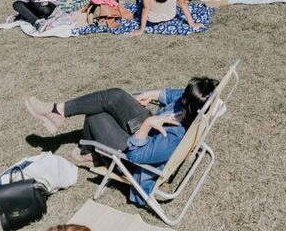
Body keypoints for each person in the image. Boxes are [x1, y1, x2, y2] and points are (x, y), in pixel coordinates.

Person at [23, 76, 218, 201]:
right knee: (114, 96)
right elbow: (171, 95)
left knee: (96, 115)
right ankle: (58, 112)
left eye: (184, 99)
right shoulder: (194, 106)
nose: (180, 98)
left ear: (190, 106)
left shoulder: (174, 136)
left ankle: (90, 153)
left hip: (134, 158)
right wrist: (150, 95)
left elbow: (136, 155)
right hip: (148, 130)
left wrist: (148, 123)